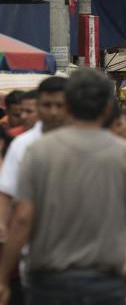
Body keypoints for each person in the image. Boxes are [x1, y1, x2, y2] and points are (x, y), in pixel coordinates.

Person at [0, 68, 126, 305]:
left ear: (68, 105)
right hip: (106, 282)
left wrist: (3, 277)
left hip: (48, 282)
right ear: (108, 108)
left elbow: (23, 218)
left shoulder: (38, 151)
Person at [0, 77, 69, 240]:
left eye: (59, 105)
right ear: (39, 106)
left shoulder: (85, 142)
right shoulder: (21, 144)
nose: (53, 112)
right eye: (47, 105)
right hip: (31, 239)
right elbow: (7, 190)